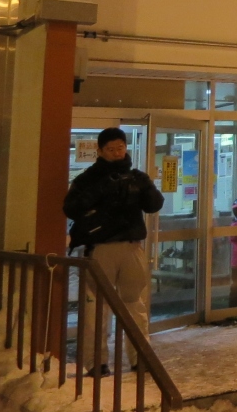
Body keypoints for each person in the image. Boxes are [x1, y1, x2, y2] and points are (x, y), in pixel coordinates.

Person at [63, 127, 164, 376]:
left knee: (135, 304)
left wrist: (146, 186)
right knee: (96, 306)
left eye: (120, 147)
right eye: (111, 149)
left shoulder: (135, 177)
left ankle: (140, 357)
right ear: (100, 151)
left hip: (131, 246)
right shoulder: (88, 178)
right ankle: (96, 361)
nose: (117, 153)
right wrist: (101, 189)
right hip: (100, 248)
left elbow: (154, 205)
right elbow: (71, 208)